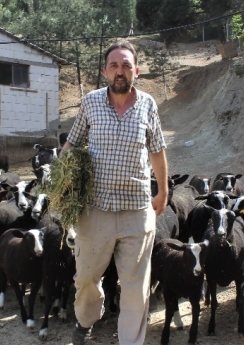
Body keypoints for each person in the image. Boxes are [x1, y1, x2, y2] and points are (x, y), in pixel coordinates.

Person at [61, 40, 169, 345]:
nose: (120, 71)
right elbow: (73, 142)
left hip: (137, 210)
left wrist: (163, 191)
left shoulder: (148, 105)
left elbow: (158, 151)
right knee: (85, 280)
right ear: (105, 71)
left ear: (136, 70)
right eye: (114, 65)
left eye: (126, 65)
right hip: (95, 209)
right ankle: (86, 320)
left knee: (136, 289)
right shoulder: (90, 102)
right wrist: (61, 171)